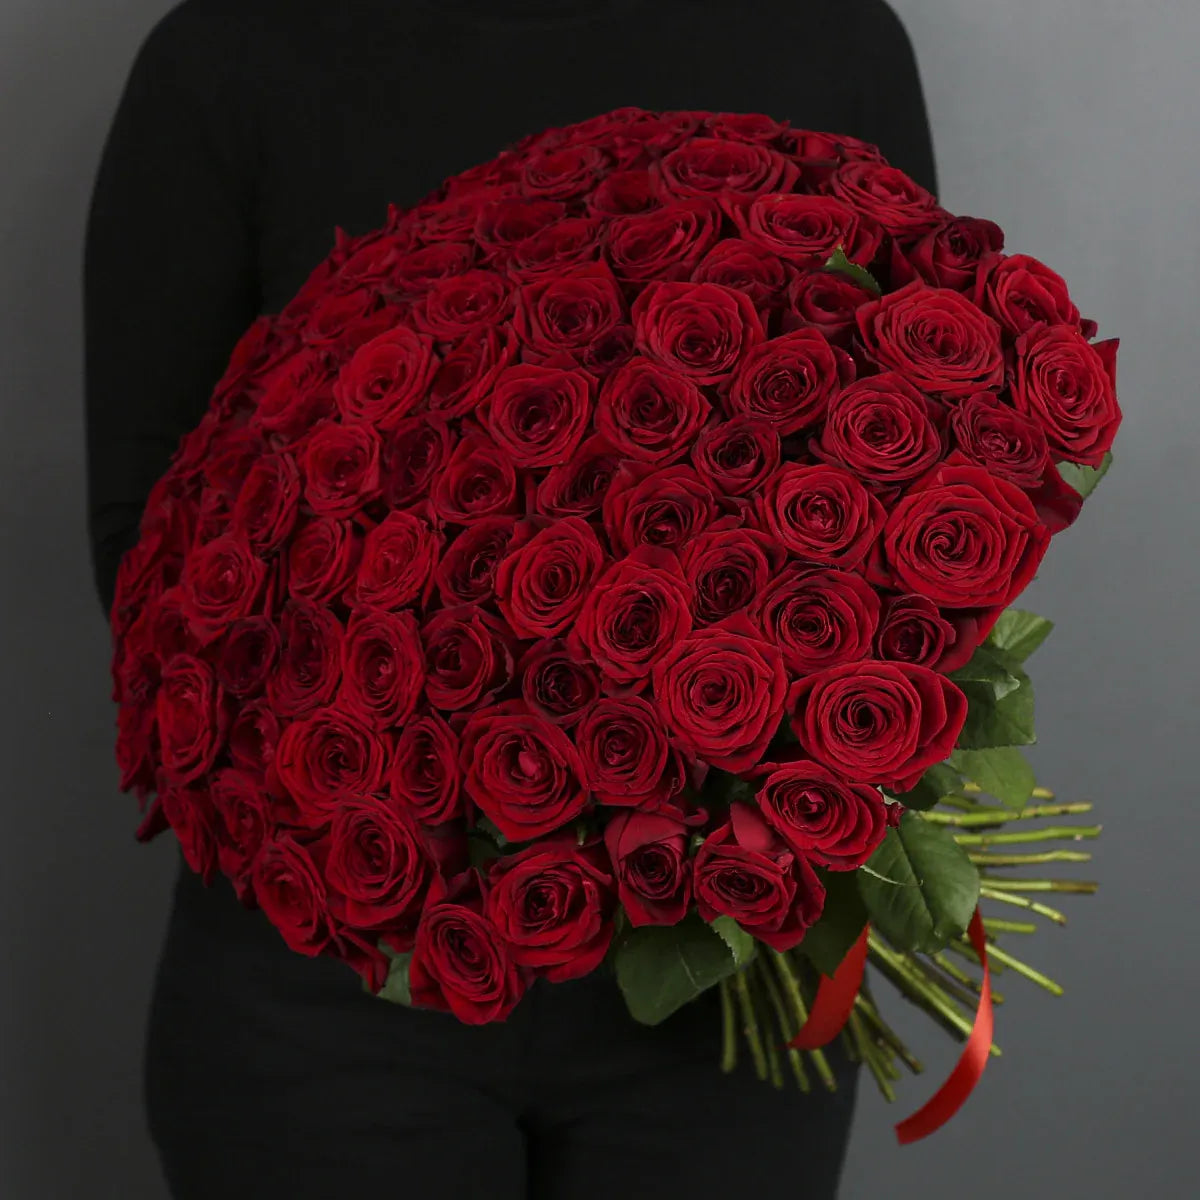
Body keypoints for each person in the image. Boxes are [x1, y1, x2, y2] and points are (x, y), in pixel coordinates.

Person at [83, 2, 937, 1196]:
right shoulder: (234, 52)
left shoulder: (828, 39)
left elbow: (907, 476)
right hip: (332, 985)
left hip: (718, 977)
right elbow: (150, 552)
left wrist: (702, 753)